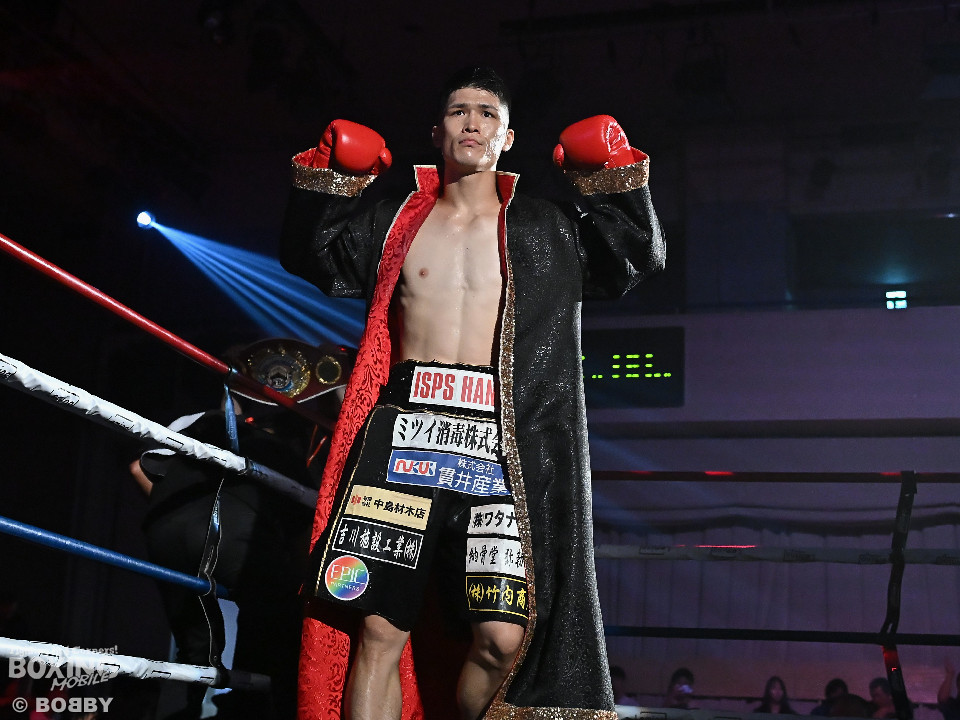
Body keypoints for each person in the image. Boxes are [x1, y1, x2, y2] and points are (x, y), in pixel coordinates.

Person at [279, 66, 664, 720]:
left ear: (507, 137)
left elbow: (634, 258)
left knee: (504, 641)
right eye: (460, 111)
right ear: (437, 131)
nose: (473, 123)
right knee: (376, 627)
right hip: (404, 430)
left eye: (488, 114)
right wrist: (333, 177)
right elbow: (309, 253)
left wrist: (610, 174)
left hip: (500, 445)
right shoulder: (395, 221)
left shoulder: (543, 227)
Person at [131, 338, 349, 719]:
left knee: (194, 646)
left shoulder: (194, 421)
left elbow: (139, 468)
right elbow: (300, 541)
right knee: (278, 615)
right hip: (234, 539)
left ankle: (185, 710)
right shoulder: (283, 455)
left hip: (164, 529)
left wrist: (180, 509)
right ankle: (248, 706)